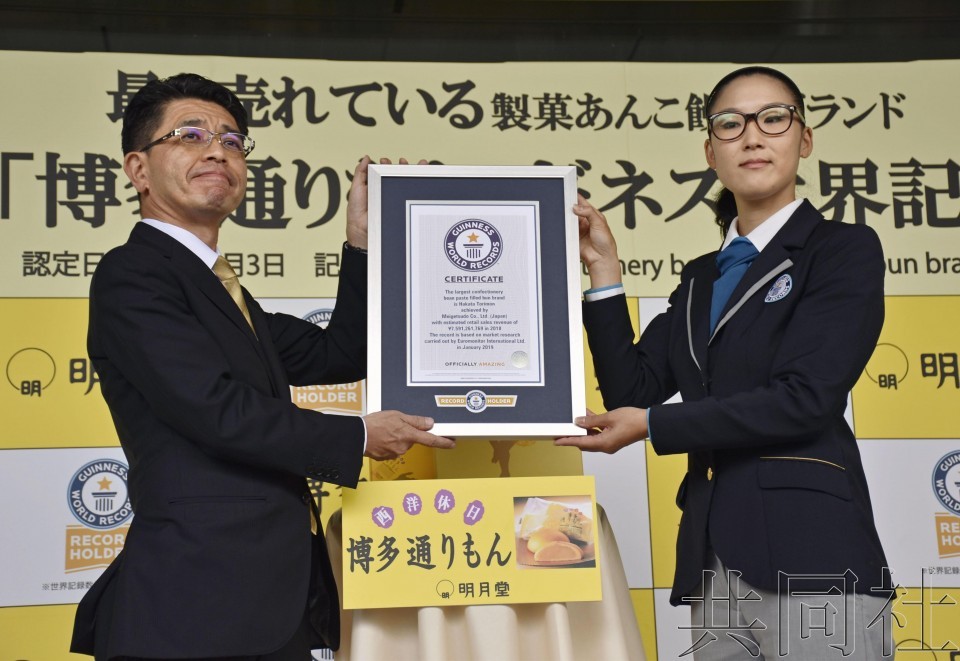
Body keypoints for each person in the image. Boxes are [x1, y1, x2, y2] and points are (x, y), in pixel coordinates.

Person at [70, 73, 454, 660]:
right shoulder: (134, 274)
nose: (217, 150)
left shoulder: (222, 292)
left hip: (266, 599)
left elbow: (339, 353)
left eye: (232, 140)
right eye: (190, 135)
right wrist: (356, 436)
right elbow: (215, 410)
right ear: (138, 169)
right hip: (194, 603)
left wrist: (362, 241)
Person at [557, 66, 893, 659]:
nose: (753, 136)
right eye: (731, 124)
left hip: (812, 556)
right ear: (711, 152)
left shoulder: (842, 250)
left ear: (804, 139)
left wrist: (653, 425)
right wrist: (604, 271)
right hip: (714, 563)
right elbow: (632, 390)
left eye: (774, 119)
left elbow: (804, 399)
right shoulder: (701, 277)